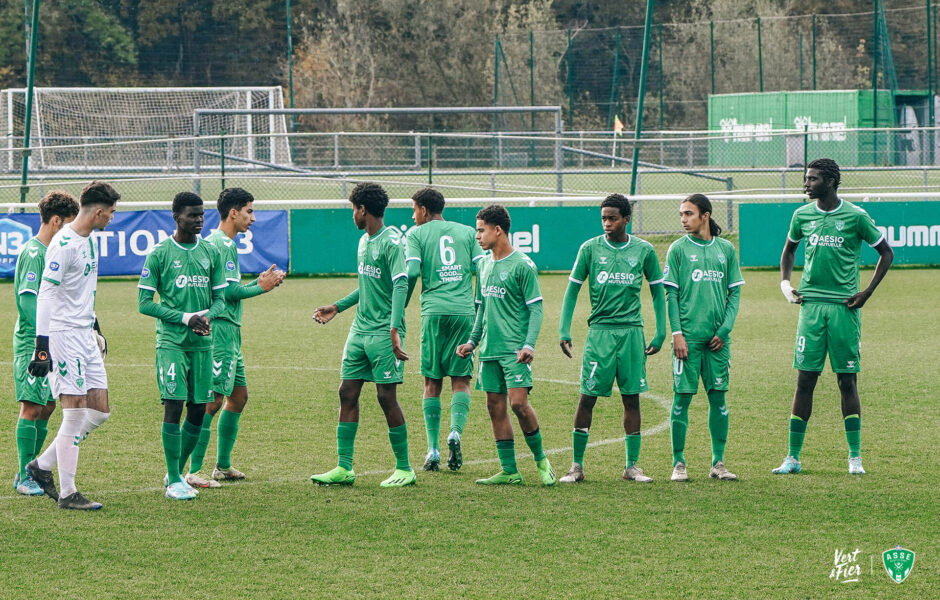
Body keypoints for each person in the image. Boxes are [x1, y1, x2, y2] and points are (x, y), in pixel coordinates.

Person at [773, 158, 893, 476]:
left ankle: (855, 457)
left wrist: (866, 292)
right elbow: (788, 250)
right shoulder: (802, 215)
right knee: (804, 381)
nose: (806, 184)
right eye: (806, 178)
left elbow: (886, 252)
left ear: (830, 181)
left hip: (844, 309)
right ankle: (792, 458)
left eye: (812, 179)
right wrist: (785, 284)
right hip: (810, 309)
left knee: (847, 382)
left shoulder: (855, 216)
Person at [311, 182, 415, 488]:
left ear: (363, 209)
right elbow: (369, 285)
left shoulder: (392, 243)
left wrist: (394, 328)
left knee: (386, 396)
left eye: (353, 209)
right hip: (360, 329)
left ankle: (405, 468)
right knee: (347, 392)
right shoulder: (364, 242)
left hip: (384, 331)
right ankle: (344, 467)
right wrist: (338, 307)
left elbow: (400, 284)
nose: (352, 215)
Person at [557, 193, 666, 483]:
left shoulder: (644, 251)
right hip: (600, 334)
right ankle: (576, 466)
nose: (607, 223)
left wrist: (661, 331)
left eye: (612, 218)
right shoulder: (590, 249)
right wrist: (564, 329)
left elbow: (658, 292)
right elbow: (572, 290)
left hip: (632, 333)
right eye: (603, 218)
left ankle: (632, 466)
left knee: (632, 399)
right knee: (587, 397)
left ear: (626, 219)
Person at [26, 181, 120, 510]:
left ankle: (42, 466)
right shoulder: (63, 243)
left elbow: (83, 291)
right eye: (110, 212)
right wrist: (42, 346)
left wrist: (95, 327)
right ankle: (67, 493)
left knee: (99, 410)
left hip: (84, 335)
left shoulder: (90, 241)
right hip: (63, 335)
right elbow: (47, 294)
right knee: (76, 410)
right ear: (97, 212)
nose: (111, 218)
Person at [184, 188, 285, 488]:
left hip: (230, 332)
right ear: (233, 213)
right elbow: (229, 293)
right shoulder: (222, 245)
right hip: (221, 331)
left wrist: (258, 282)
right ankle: (193, 471)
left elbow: (227, 288)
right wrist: (261, 287)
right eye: (249, 211)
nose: (253, 218)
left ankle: (222, 466)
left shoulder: (217, 243)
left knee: (238, 397)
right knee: (213, 400)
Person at [456, 204, 556, 486]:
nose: (477, 236)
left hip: (515, 351)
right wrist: (472, 342)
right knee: (494, 406)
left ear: (497, 230)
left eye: (481, 230)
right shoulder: (484, 264)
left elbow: (536, 309)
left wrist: (529, 345)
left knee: (519, 404)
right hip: (489, 350)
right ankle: (510, 471)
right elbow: (481, 308)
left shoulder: (523, 265)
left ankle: (542, 462)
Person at [138, 192, 227, 500]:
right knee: (174, 405)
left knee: (199, 409)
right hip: (172, 343)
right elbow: (145, 304)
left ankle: (176, 469)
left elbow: (220, 300)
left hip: (202, 344)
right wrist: (185, 317)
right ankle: (176, 478)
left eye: (202, 215)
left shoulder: (210, 252)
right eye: (192, 215)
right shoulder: (160, 253)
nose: (199, 219)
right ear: (176, 217)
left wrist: (206, 317)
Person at [663, 193, 743, 482]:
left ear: (705, 215)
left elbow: (734, 293)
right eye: (681, 214)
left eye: (689, 214)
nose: (683, 219)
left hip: (718, 342)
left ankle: (718, 463)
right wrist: (677, 334)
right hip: (688, 340)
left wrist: (724, 331)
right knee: (681, 400)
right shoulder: (678, 250)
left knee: (719, 401)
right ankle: (678, 463)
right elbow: (670, 295)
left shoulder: (726, 250)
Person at [405, 187, 484, 472]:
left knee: (431, 384)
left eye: (414, 210)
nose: (413, 217)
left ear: (424, 210)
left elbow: (412, 271)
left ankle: (433, 450)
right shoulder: (466, 232)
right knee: (461, 382)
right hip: (464, 313)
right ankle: (455, 432)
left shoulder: (415, 235)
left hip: (434, 313)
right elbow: (483, 268)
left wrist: (400, 305)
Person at [13, 191, 79, 495]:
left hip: (53, 340)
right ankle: (23, 475)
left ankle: (35, 468)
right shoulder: (35, 253)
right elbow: (28, 303)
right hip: (34, 341)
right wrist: (43, 340)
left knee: (49, 404)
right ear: (56, 221)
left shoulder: (53, 253)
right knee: (32, 405)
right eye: (68, 224)